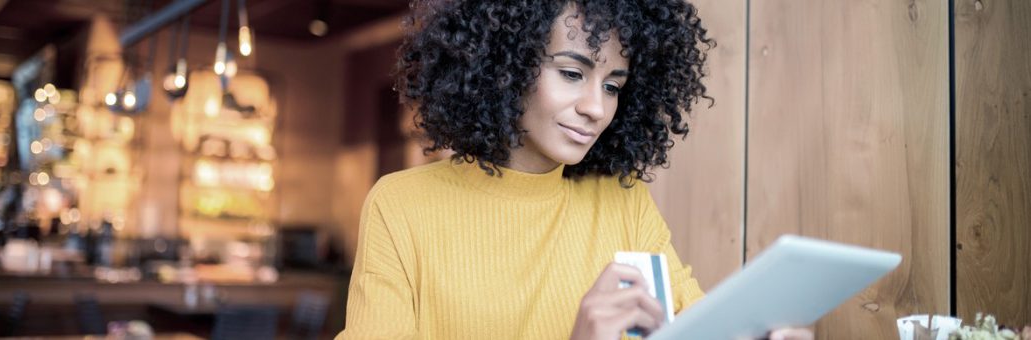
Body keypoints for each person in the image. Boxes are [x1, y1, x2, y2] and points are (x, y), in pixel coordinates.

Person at [336, 1, 813, 339]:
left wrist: (755, 331)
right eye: (572, 73)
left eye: (613, 86)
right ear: (504, 63)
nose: (596, 108)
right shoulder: (401, 206)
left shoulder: (623, 202)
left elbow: (694, 324)